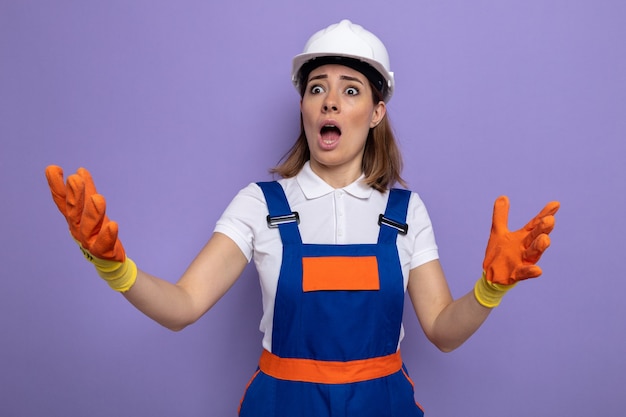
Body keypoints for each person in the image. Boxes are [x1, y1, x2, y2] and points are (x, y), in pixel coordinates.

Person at [45, 19, 560, 417]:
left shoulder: (403, 212)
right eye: (317, 88)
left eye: (350, 89)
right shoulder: (259, 204)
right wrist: (116, 268)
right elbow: (181, 307)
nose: (330, 101)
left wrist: (491, 288)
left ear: (376, 112)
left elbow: (443, 331)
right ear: (304, 106)